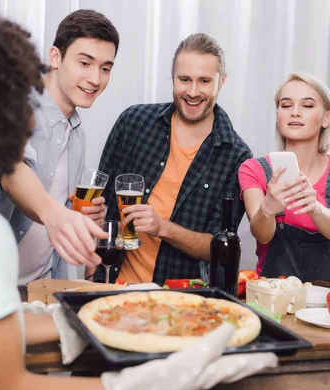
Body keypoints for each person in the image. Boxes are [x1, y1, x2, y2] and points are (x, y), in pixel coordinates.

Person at [0, 11, 279, 390]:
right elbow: (7, 388)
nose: (33, 113)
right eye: (21, 98)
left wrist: (81, 315)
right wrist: (138, 388)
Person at [96, 33, 252, 284]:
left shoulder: (237, 157)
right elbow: (100, 203)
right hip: (112, 285)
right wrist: (91, 268)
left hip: (179, 302)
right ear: (172, 77)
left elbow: (217, 246)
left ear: (222, 81)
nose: (192, 92)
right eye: (184, 79)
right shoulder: (133, 123)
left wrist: (163, 228)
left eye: (204, 81)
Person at [0, 9, 119, 285]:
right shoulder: (18, 109)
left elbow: (59, 212)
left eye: (105, 68)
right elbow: (11, 172)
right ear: (55, 57)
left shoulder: (77, 134)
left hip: (42, 287)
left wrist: (80, 217)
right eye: (85, 63)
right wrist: (56, 214)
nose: (96, 78)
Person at [238, 72, 330, 282]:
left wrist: (315, 207)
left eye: (307, 105)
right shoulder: (252, 169)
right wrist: (267, 208)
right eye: (286, 105)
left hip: (326, 297)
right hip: (273, 293)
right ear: (278, 116)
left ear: (327, 118)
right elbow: (261, 235)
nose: (295, 112)